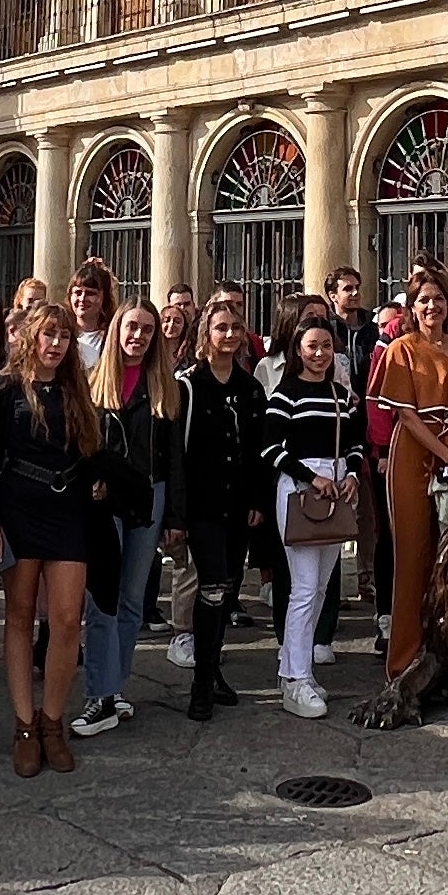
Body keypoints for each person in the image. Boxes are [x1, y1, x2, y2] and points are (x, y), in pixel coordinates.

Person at [0, 300, 103, 775]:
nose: (56, 345)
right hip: (17, 509)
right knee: (18, 616)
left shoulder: (77, 388)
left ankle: (53, 720)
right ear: (31, 337)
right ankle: (23, 725)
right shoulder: (4, 389)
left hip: (68, 510)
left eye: (64, 337)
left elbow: (91, 447)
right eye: (48, 335)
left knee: (68, 620)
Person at [371, 272, 448, 686]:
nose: (432, 307)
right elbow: (405, 415)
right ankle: (406, 661)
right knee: (413, 556)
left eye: (439, 299)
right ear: (412, 306)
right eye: (424, 300)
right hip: (414, 453)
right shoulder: (401, 349)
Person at [166, 296, 267, 718]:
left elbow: (260, 448)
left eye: (235, 328)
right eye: (221, 327)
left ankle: (212, 667)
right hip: (203, 508)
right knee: (209, 588)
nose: (229, 335)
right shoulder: (188, 385)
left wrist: (259, 500)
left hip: (239, 505)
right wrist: (177, 516)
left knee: (226, 590)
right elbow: (175, 455)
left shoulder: (250, 388)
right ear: (206, 334)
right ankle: (201, 685)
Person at [75, 299, 168, 738]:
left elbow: (175, 458)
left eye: (147, 330)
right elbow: (82, 447)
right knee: (102, 598)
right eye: (132, 327)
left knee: (132, 598)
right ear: (117, 330)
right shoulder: (93, 383)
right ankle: (99, 693)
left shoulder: (167, 388)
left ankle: (115, 686)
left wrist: (177, 517)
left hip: (151, 494)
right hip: (105, 497)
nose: (138, 336)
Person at [259, 317, 358, 717]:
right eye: (312, 346)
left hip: (334, 490)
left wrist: (350, 472)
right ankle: (296, 678)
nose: (320, 354)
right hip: (300, 491)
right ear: (298, 349)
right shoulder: (286, 395)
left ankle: (295, 667)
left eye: (327, 347)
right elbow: (269, 448)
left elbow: (353, 441)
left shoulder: (339, 394)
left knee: (320, 587)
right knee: (302, 587)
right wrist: (309, 477)